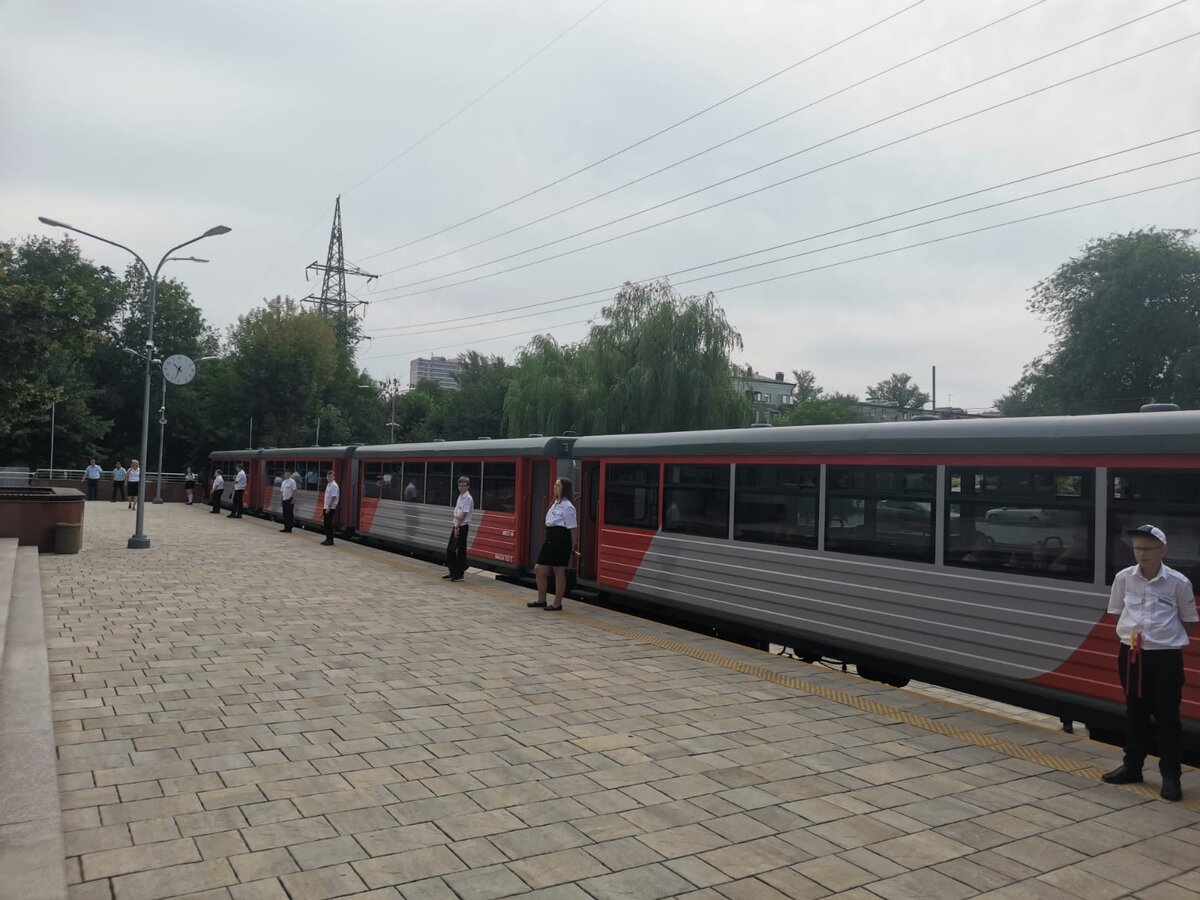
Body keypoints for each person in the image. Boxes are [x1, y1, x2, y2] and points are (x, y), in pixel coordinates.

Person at [1102, 525, 1197, 801]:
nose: (1142, 554)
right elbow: (1116, 613)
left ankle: (1171, 777)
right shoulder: (1124, 578)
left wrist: (1162, 639)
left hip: (1166, 657)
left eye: (1148, 549)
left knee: (1168, 716)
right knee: (1135, 711)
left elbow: (1188, 620)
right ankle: (1132, 767)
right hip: (1131, 654)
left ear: (1163, 551)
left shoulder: (1178, 582)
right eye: (1137, 548)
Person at [528, 477, 578, 611]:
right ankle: (541, 600)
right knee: (539, 569)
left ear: (565, 489)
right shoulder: (555, 502)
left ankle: (557, 603)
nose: (555, 488)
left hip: (561, 540)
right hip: (551, 538)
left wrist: (572, 547)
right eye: (555, 485)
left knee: (559, 570)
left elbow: (573, 529)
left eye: (558, 486)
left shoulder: (568, 506)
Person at [444, 475, 474, 582]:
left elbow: (462, 515)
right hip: (457, 526)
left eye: (463, 485)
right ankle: (453, 572)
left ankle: (459, 574)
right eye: (459, 485)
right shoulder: (461, 496)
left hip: (461, 527)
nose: (461, 487)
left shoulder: (467, 498)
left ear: (468, 486)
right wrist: (456, 517)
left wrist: (456, 526)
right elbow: (456, 512)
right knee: (452, 550)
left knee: (456, 551)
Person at [320, 470, 339, 546]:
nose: (329, 478)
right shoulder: (329, 484)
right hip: (327, 507)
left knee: (329, 524)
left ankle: (330, 540)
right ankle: (327, 538)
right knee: (326, 524)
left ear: (334, 477)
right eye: (328, 476)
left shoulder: (334, 485)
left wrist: (329, 507)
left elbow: (333, 497)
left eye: (331, 476)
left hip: (330, 508)